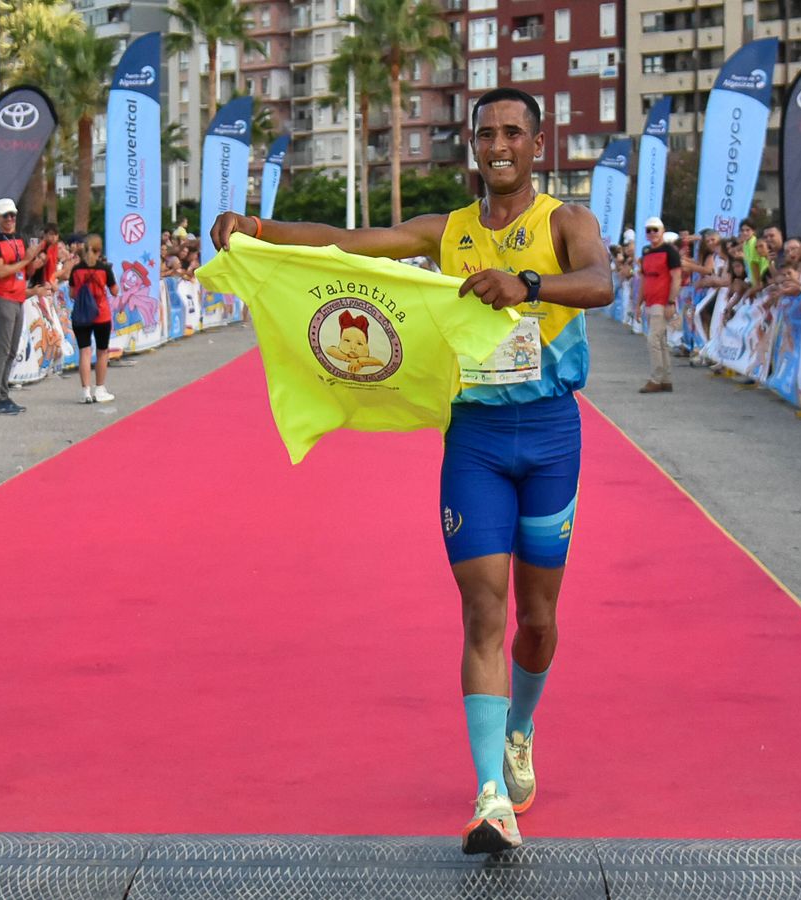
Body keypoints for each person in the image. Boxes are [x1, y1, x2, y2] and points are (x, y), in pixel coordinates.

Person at [207, 85, 611, 855]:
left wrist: (526, 285)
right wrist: (259, 229)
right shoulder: (448, 231)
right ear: (473, 143)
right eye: (486, 133)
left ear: (537, 143)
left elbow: (601, 283)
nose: (498, 145)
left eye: (513, 132)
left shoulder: (565, 222)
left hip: (552, 437)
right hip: (476, 441)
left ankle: (520, 730)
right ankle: (492, 796)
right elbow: (346, 243)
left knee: (537, 620)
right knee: (483, 611)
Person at [0, 198, 46, 415]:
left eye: (13, 215)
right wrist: (26, 260)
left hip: (18, 297)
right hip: (2, 297)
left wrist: (33, 263)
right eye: (5, 215)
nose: (10, 219)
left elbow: (23, 271)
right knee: (2, 349)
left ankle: (2, 394)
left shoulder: (18, 238)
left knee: (11, 350)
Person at [68, 242, 116, 403]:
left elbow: (72, 294)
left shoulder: (76, 270)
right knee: (102, 352)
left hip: (82, 314)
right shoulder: (104, 269)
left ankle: (85, 391)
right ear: (98, 251)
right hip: (101, 314)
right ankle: (100, 389)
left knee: (84, 351)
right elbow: (115, 291)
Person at [637, 215, 681, 392]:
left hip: (661, 301)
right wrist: (638, 303)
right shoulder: (647, 253)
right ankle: (665, 379)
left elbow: (676, 277)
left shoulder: (670, 251)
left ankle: (656, 378)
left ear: (662, 231)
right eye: (649, 230)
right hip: (650, 301)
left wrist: (671, 301)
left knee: (653, 340)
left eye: (655, 229)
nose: (652, 233)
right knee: (660, 341)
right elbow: (643, 279)